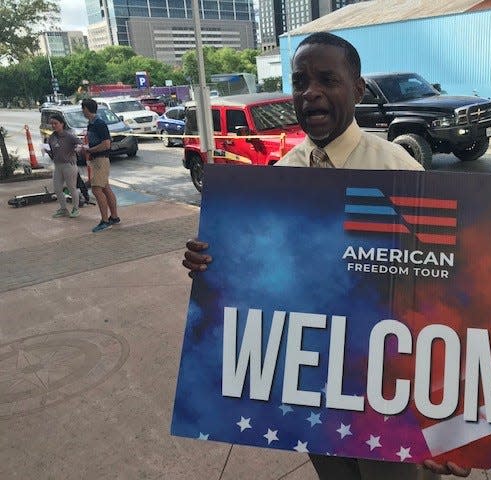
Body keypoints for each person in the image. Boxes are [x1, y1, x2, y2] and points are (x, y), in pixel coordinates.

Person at [183, 32, 470, 480]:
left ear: (356, 90)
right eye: (300, 82)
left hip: (388, 391)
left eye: (326, 79)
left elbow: (449, 292)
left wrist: (449, 420)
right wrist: (211, 270)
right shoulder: (279, 179)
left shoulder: (401, 172)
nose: (310, 91)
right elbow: (260, 279)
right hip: (314, 388)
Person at [80, 98, 120, 232]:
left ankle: (105, 220)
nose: (82, 111)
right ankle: (114, 217)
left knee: (97, 189)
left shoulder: (99, 123)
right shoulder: (91, 124)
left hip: (101, 160)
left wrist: (90, 150)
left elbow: (106, 144)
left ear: (87, 109)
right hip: (97, 159)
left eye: (83, 108)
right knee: (106, 188)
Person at [45, 112, 82, 218]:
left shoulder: (69, 136)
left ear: (62, 124)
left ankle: (75, 208)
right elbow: (52, 151)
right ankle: (63, 208)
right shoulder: (51, 137)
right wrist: (47, 151)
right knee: (57, 188)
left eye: (55, 123)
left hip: (69, 165)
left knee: (71, 187)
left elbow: (79, 144)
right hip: (57, 165)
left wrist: (77, 149)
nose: (53, 126)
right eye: (51, 124)